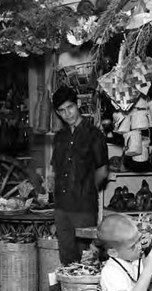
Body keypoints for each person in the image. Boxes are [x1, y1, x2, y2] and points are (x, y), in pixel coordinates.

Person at [51, 86, 108, 265]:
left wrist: (87, 188)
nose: (67, 114)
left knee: (86, 260)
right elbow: (56, 169)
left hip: (84, 207)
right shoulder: (59, 137)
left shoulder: (94, 135)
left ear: (78, 104)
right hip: (62, 208)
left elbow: (102, 170)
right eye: (61, 111)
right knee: (67, 260)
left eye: (70, 107)